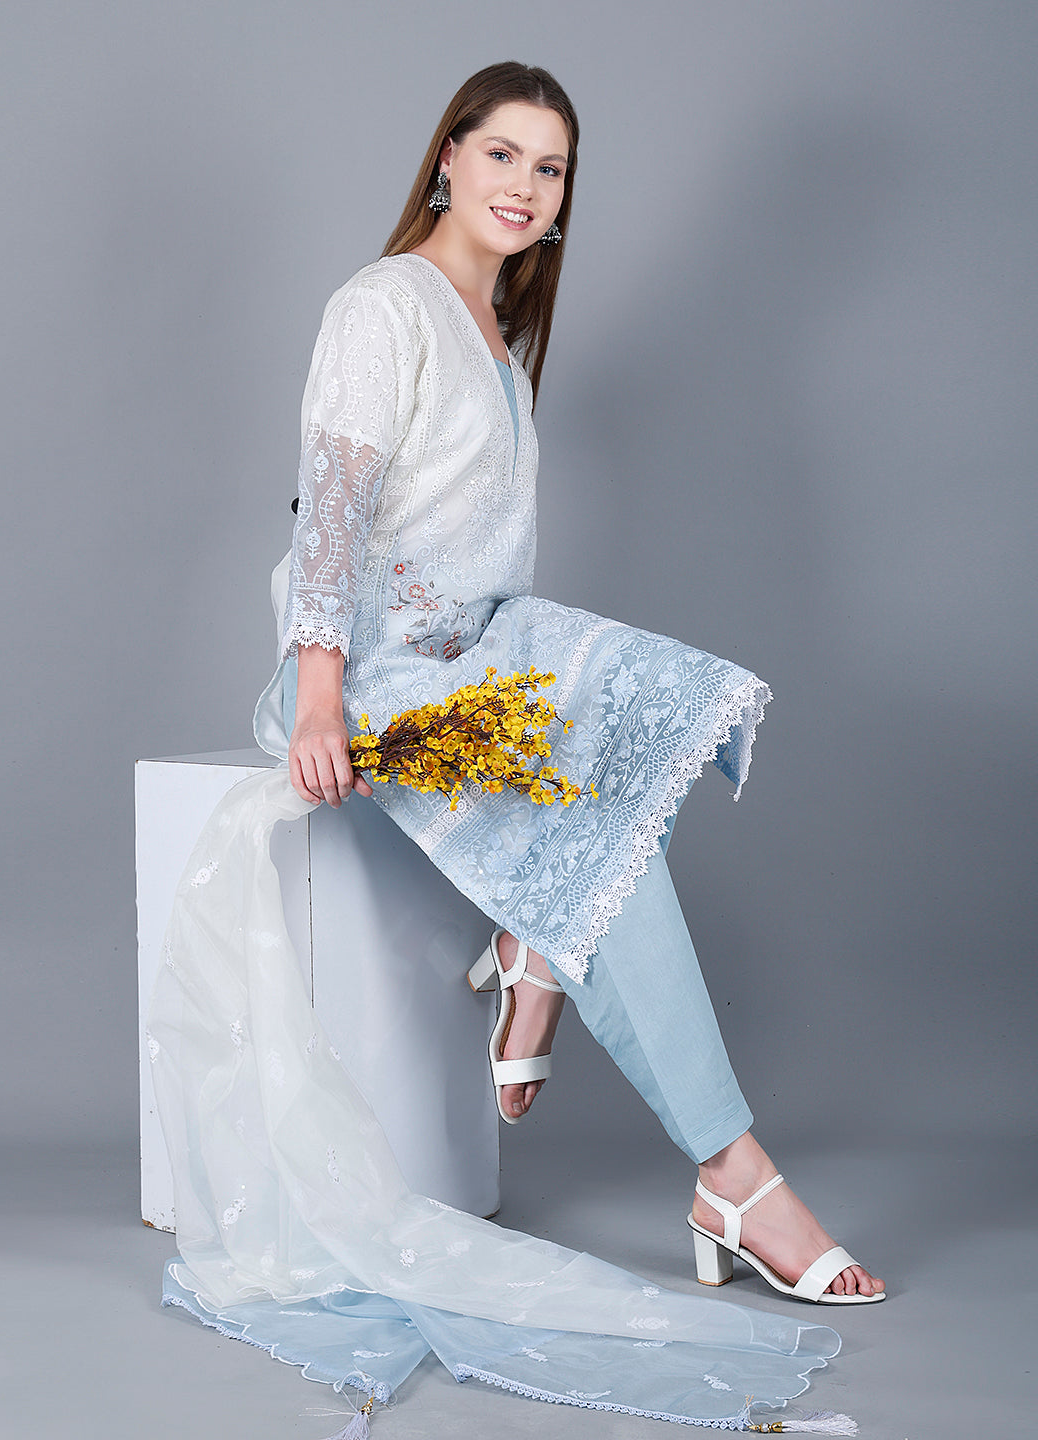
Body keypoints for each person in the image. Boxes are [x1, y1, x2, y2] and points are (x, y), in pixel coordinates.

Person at [150, 61, 881, 1431]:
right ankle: (731, 1164)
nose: (522, 185)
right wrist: (317, 699)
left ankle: (542, 948)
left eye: (549, 170)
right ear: (445, 160)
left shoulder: (497, 327)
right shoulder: (384, 306)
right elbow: (336, 519)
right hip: (370, 681)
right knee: (605, 819)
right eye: (500, 153)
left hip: (476, 660)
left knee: (641, 702)